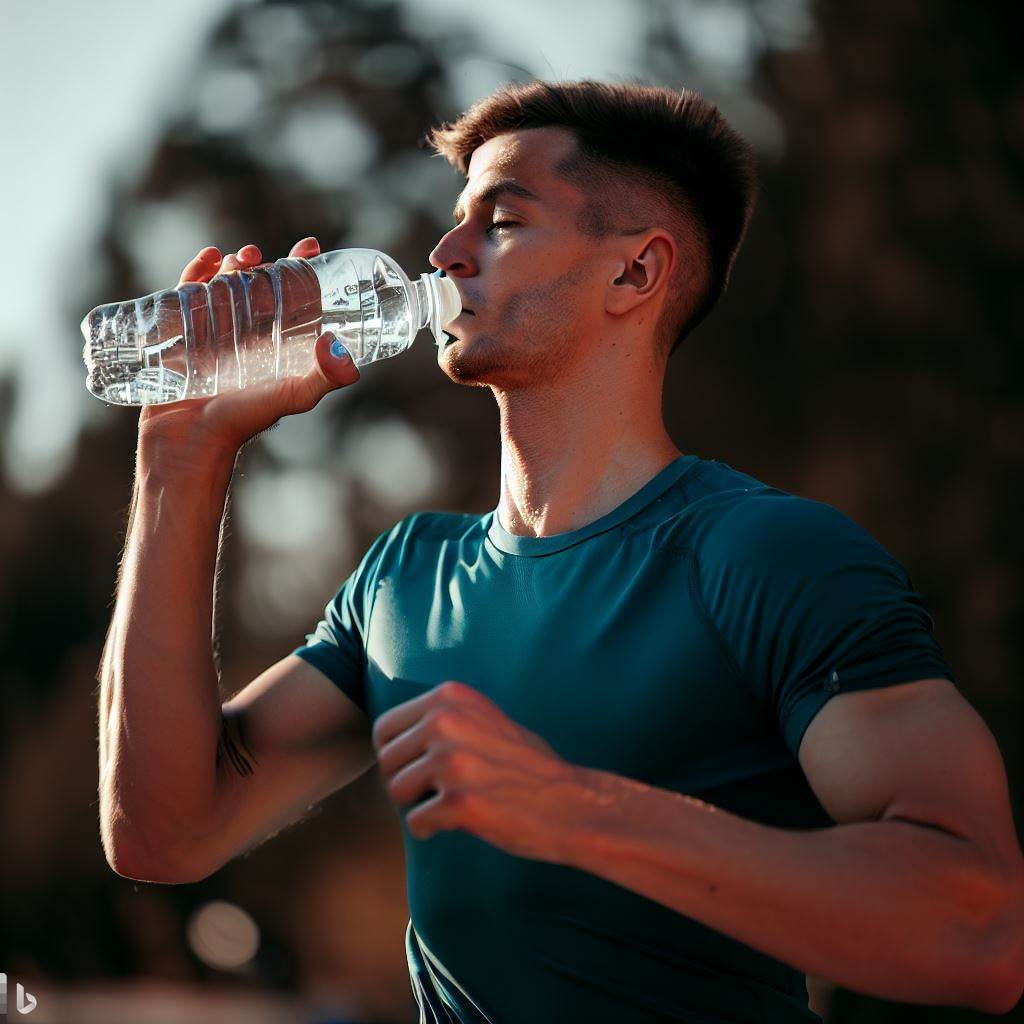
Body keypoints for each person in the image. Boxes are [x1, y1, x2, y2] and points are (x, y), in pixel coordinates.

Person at [97, 79, 1024, 1021]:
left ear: (636, 274)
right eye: (456, 220)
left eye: (501, 221)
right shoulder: (406, 578)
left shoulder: (768, 554)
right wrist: (180, 460)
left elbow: (978, 933)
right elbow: (163, 834)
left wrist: (574, 808)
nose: (445, 252)